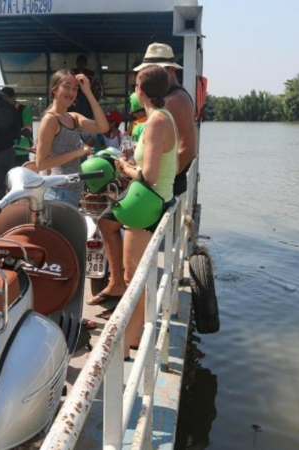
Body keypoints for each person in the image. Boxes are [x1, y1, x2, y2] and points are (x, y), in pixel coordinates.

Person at [94, 66, 178, 359]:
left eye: (135, 86)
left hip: (148, 205)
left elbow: (150, 176)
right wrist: (133, 167)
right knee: (109, 227)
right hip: (156, 199)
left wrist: (125, 168)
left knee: (133, 278)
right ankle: (134, 333)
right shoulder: (163, 117)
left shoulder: (155, 122)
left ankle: (127, 344)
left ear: (140, 90)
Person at [35, 69, 108, 207]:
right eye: (66, 87)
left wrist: (88, 92)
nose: (71, 92)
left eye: (75, 89)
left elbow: (103, 127)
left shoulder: (73, 117)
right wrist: (78, 152)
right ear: (54, 90)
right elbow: (41, 163)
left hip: (73, 193)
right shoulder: (50, 119)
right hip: (58, 193)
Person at [134, 43, 196, 196]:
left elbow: (187, 149)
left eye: (158, 70)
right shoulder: (165, 98)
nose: (153, 75)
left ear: (171, 71)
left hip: (167, 187)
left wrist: (165, 180)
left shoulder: (176, 99)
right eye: (148, 70)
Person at [1, 87, 34, 166]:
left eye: (6, 99)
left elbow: (28, 130)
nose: (4, 102)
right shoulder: (2, 111)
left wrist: (19, 132)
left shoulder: (24, 110)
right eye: (2, 99)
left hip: (21, 151)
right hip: (6, 151)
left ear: (13, 98)